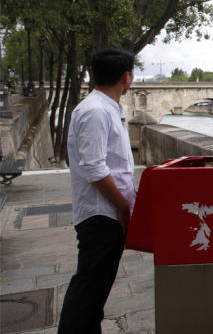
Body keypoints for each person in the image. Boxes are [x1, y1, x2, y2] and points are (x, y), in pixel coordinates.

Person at [59, 47, 136, 333]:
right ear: (126, 77)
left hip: (106, 213)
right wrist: (123, 205)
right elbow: (94, 168)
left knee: (95, 290)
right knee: (88, 289)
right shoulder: (95, 111)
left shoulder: (103, 108)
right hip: (101, 214)